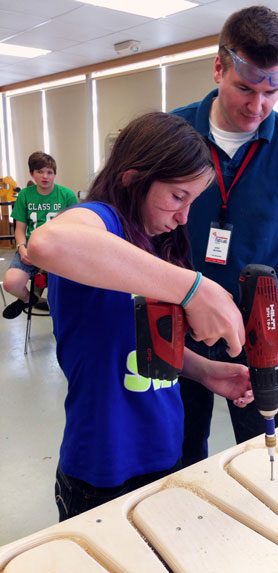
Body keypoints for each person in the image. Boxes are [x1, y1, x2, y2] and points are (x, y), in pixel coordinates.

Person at [28, 112, 253, 521]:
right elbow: (48, 242)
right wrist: (194, 288)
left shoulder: (149, 243)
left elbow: (137, 344)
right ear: (133, 179)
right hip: (103, 467)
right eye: (177, 197)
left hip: (165, 450)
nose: (184, 217)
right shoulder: (102, 222)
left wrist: (203, 370)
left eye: (193, 201)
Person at [173, 6, 278, 466]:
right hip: (182, 314)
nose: (257, 107)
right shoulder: (173, 134)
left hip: (260, 321)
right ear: (219, 67)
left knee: (267, 442)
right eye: (245, 88)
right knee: (181, 446)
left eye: (271, 92)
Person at [2, 152, 77, 319]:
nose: (45, 176)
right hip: (30, 248)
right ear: (32, 173)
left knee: (70, 287)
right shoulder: (25, 195)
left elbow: (75, 230)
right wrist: (22, 248)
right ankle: (31, 299)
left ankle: (60, 308)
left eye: (49, 172)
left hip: (58, 250)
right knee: (11, 283)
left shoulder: (67, 195)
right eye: (40, 171)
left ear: (54, 174)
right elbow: (20, 229)